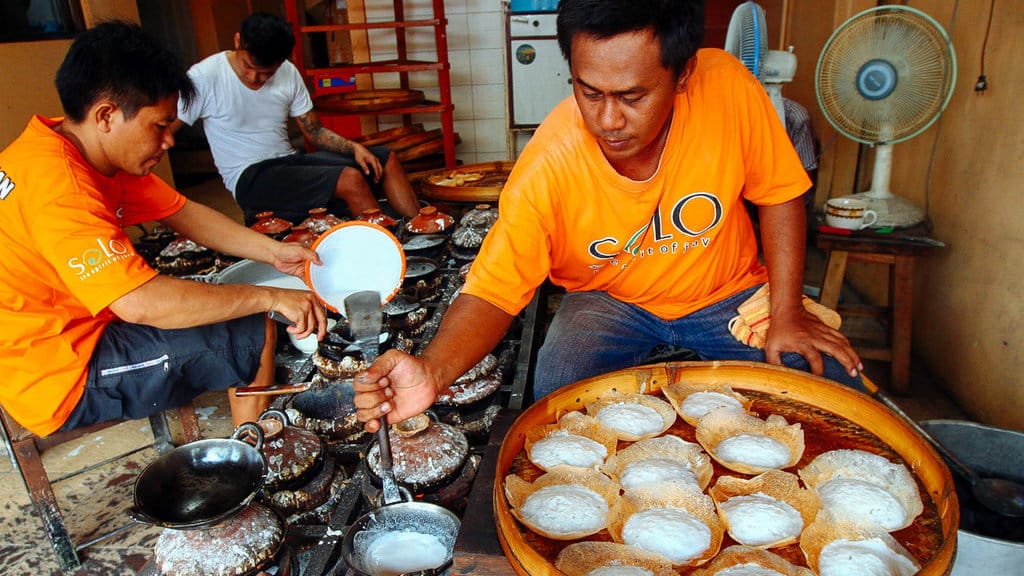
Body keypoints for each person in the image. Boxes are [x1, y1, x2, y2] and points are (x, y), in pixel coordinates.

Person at [352, 0, 864, 432]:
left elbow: (780, 195)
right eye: (589, 92)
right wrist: (434, 371)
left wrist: (789, 309)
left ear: (682, 74)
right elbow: (492, 290)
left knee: (835, 384)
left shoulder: (725, 87)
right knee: (559, 397)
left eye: (632, 96)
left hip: (723, 292)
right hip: (609, 300)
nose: (607, 120)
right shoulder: (548, 164)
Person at [0, 21, 329, 437]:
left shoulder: (73, 146)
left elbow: (184, 212)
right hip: (57, 370)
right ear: (106, 116)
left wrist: (273, 252)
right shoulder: (62, 187)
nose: (169, 141)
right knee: (251, 329)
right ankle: (252, 454)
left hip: (64, 328)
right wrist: (270, 296)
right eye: (159, 126)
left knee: (217, 300)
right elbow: (140, 304)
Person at [175, 11, 421, 226]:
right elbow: (166, 124)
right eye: (248, 65)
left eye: (266, 73)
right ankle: (387, 256)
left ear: (281, 62)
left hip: (288, 163)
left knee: (384, 159)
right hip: (249, 178)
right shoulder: (205, 75)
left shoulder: (288, 72)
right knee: (350, 179)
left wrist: (354, 148)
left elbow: (314, 132)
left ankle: (425, 231)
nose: (254, 77)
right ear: (238, 40)